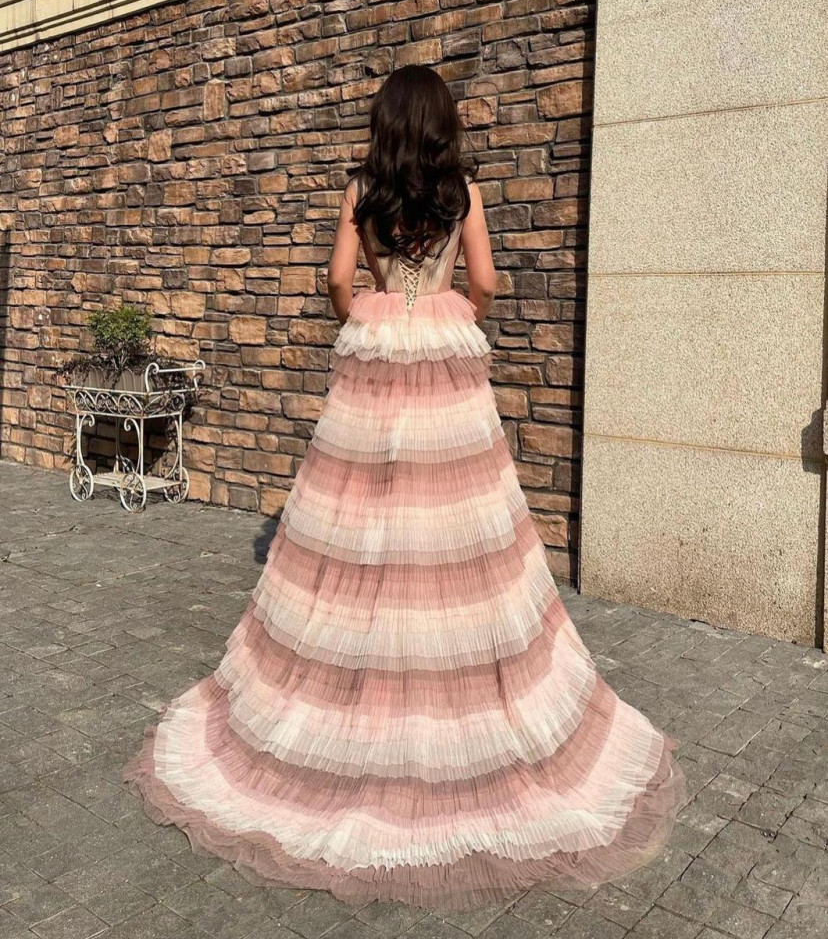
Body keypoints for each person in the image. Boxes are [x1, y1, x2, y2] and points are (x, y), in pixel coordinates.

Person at [124, 64, 685, 911]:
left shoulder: (361, 190)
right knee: (458, 516)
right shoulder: (462, 192)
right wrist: (447, 313)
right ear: (443, 124)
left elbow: (336, 281)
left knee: (362, 509)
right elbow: (485, 284)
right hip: (444, 364)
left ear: (385, 124)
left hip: (379, 361)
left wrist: (377, 314)